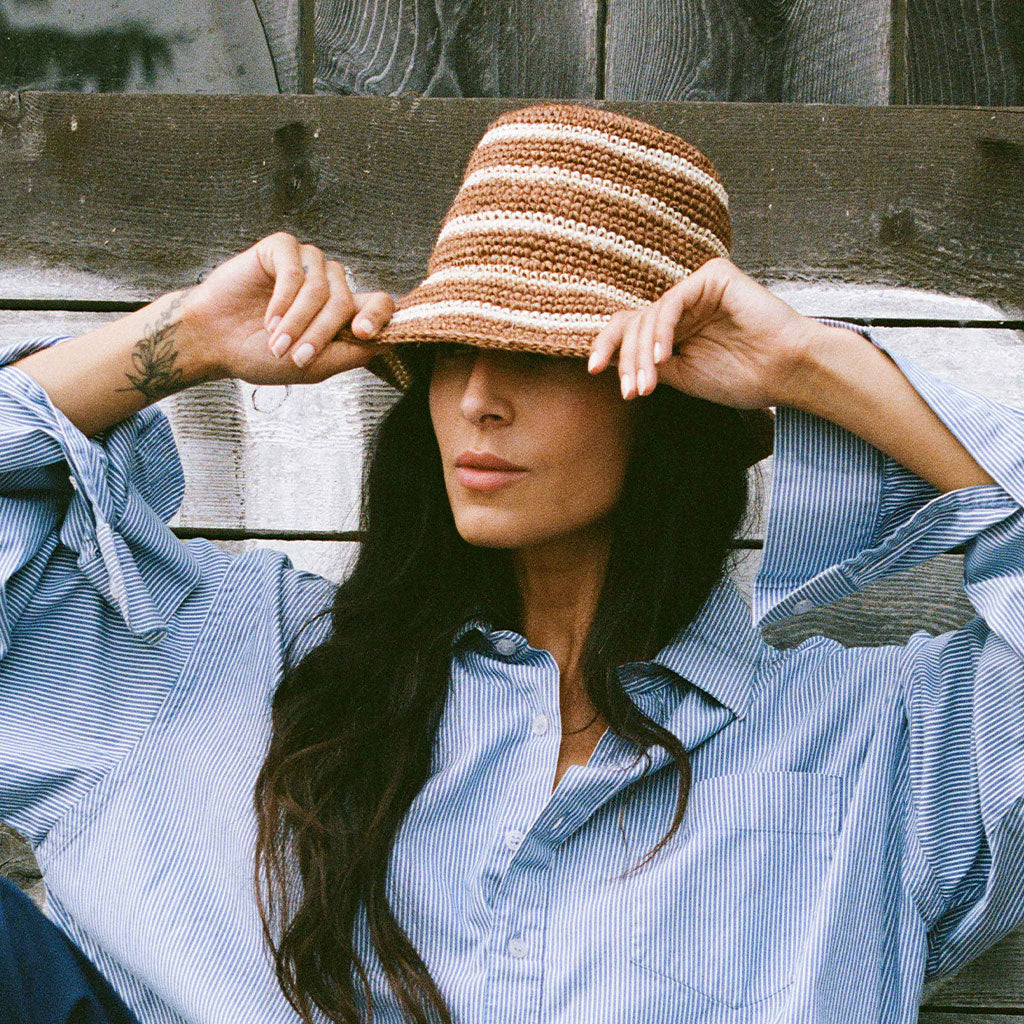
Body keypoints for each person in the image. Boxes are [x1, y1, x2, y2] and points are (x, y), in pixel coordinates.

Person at [0, 101, 1022, 1024]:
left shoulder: (880, 745)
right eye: (449, 353)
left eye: (541, 355)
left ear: (670, 402)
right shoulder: (220, 660)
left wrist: (818, 368)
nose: (478, 400)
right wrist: (182, 339)